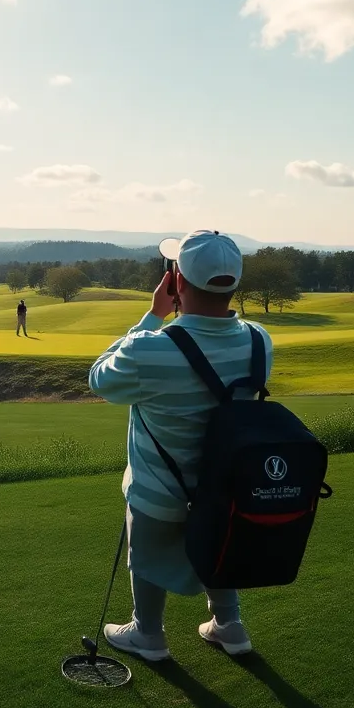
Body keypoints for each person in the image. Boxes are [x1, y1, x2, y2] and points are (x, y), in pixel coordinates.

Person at [88, 230, 272, 660]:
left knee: (146, 555)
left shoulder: (151, 348)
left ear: (177, 281)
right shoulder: (260, 339)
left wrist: (153, 315)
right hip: (226, 487)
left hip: (160, 491)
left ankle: (147, 634)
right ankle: (230, 625)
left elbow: (100, 377)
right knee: (217, 541)